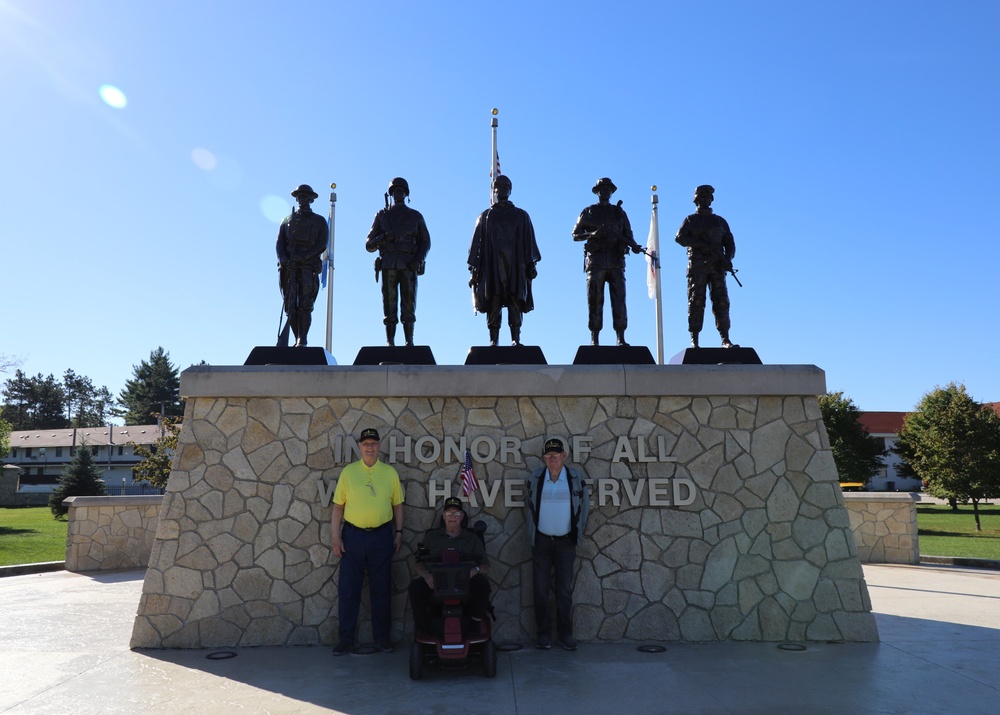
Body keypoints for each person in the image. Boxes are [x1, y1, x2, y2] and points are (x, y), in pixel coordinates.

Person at [329, 428, 404, 655]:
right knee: (349, 590)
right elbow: (338, 507)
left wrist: (399, 532)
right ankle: (345, 640)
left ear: (379, 446)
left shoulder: (389, 473)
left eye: (373, 443)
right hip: (353, 537)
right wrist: (335, 536)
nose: (369, 447)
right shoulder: (348, 473)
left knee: (381, 590)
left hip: (382, 536)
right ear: (360, 447)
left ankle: (382, 638)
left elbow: (398, 505)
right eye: (365, 444)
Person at [524, 438, 590, 651]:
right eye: (548, 455)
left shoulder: (575, 478)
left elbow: (584, 509)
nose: (552, 458)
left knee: (563, 590)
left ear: (564, 456)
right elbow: (529, 507)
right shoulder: (535, 479)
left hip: (565, 543)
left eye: (555, 454)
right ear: (544, 458)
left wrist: (576, 533)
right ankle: (543, 634)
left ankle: (565, 634)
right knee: (540, 590)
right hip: (542, 542)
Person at [467, 174, 541, 346]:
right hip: (492, 267)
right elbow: (476, 246)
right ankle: (494, 340)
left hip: (515, 266)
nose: (502, 190)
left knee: (515, 301)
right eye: (498, 187)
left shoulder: (521, 215)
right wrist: (474, 271)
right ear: (494, 191)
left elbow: (529, 242)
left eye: (505, 187)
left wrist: (531, 264)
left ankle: (516, 339)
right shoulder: (485, 216)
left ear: (510, 190)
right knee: (494, 301)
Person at [572, 177, 644, 346]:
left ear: (612, 192)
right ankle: (594, 338)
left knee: (619, 301)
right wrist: (591, 235)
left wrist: (633, 246)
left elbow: (628, 235)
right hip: (595, 262)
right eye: (602, 189)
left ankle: (621, 338)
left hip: (616, 262)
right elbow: (575, 234)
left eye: (608, 189)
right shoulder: (588, 212)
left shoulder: (619, 213)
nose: (605, 192)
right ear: (597, 192)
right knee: (594, 300)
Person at [408, 496, 491, 635]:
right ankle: (425, 631)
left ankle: (473, 627)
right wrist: (426, 575)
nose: (452, 516)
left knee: (482, 584)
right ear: (443, 516)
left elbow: (486, 566)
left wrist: (475, 570)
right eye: (449, 513)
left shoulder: (472, 538)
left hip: (465, 583)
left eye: (457, 513)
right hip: (437, 583)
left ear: (462, 516)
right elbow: (418, 563)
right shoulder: (431, 537)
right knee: (415, 588)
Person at [365, 177, 431, 346]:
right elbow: (369, 244)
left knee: (409, 304)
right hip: (389, 265)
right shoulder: (382, 215)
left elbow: (426, 242)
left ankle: (409, 340)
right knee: (389, 305)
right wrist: (383, 237)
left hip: (409, 265)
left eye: (401, 190)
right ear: (391, 194)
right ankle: (390, 341)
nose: (398, 193)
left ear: (406, 193)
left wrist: (419, 259)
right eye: (395, 191)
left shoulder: (415, 216)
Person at [674, 184, 737, 348]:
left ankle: (725, 338)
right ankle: (694, 339)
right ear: (696, 199)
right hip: (697, 267)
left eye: (708, 197)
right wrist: (701, 245)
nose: (705, 200)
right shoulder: (691, 220)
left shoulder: (720, 221)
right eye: (702, 197)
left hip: (717, 267)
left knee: (721, 302)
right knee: (696, 302)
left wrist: (728, 259)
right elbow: (680, 238)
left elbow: (730, 244)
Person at [276, 184, 329, 347]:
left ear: (311, 199)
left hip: (308, 267)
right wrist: (285, 260)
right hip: (289, 268)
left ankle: (302, 339)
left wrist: (304, 257)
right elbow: (279, 244)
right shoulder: (287, 220)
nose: (302, 198)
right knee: (290, 306)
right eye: (299, 196)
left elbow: (322, 244)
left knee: (305, 305)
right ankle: (295, 336)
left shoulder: (319, 221)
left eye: (306, 196)